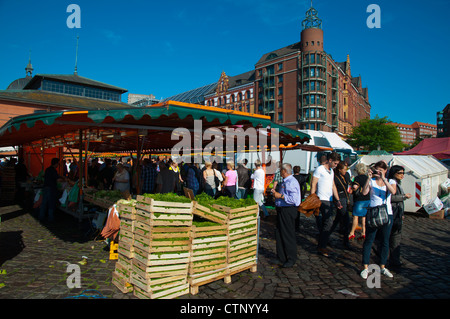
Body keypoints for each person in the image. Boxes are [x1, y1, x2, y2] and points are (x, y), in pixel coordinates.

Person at [360, 161, 397, 279]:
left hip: (387, 213)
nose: (379, 172)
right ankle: (365, 267)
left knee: (385, 240)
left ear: (386, 170)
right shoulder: (371, 181)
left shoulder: (391, 181)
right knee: (369, 239)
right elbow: (364, 192)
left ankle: (382, 266)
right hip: (373, 213)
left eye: (382, 170)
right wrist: (368, 178)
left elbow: (393, 191)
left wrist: (384, 179)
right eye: (377, 169)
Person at [310, 152, 342, 257]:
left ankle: (322, 243)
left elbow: (333, 185)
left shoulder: (331, 171)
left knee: (326, 223)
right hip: (321, 199)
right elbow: (313, 183)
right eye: (335, 163)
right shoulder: (320, 169)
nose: (336, 165)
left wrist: (337, 200)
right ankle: (322, 245)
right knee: (327, 222)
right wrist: (312, 197)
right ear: (330, 160)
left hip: (329, 200)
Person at [271, 163, 301, 268]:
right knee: (279, 233)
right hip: (282, 209)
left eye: (281, 171)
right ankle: (281, 257)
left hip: (288, 210)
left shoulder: (291, 182)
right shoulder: (286, 181)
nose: (280, 173)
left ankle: (291, 258)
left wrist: (281, 196)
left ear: (284, 171)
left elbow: (294, 199)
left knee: (288, 234)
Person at [387, 165, 411, 268]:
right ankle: (394, 260)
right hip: (394, 213)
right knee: (394, 237)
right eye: (400, 173)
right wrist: (404, 197)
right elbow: (391, 198)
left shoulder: (397, 183)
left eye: (403, 173)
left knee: (395, 237)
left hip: (398, 213)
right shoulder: (392, 182)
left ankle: (395, 259)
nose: (402, 175)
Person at [330, 161, 351, 249]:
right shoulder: (335, 177)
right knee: (346, 219)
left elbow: (348, 184)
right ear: (339, 169)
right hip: (339, 198)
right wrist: (337, 200)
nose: (345, 171)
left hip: (345, 197)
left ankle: (327, 233)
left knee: (337, 219)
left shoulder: (346, 176)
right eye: (344, 170)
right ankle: (346, 241)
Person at [349, 163, 370, 241]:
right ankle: (364, 232)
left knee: (355, 216)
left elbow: (354, 187)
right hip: (367, 199)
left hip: (359, 199)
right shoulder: (367, 178)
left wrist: (352, 187)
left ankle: (352, 232)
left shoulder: (357, 178)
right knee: (364, 217)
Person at [39, 158, 65, 223]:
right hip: (51, 188)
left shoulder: (47, 169)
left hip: (45, 187)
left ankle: (41, 217)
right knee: (51, 203)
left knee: (44, 203)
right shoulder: (53, 170)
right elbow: (58, 180)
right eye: (58, 164)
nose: (58, 165)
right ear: (56, 163)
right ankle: (50, 218)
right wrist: (64, 180)